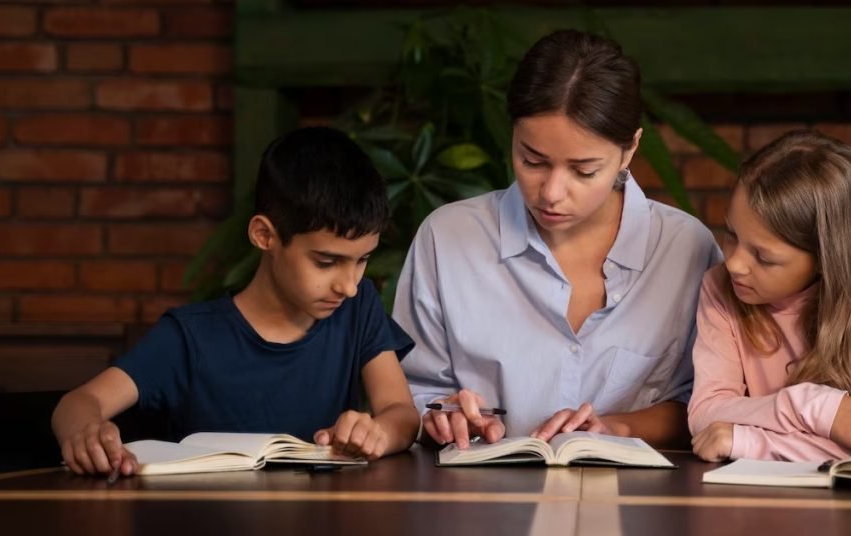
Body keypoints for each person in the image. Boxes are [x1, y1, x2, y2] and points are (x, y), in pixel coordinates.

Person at [393, 30, 721, 450]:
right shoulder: (448, 238)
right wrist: (443, 415)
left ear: (629, 149)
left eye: (584, 171)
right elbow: (408, 394)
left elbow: (709, 402)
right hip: (479, 504)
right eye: (532, 161)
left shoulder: (685, 249)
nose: (550, 192)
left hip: (641, 506)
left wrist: (615, 427)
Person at [52, 127, 419, 477]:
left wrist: (377, 433)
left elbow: (401, 413)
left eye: (362, 260)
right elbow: (79, 402)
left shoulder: (357, 309)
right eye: (326, 262)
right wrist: (85, 431)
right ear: (264, 236)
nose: (349, 286)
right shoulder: (190, 337)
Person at [687, 129, 851, 462]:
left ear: (823, 260)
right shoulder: (720, 289)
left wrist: (750, 442)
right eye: (731, 234)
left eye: (763, 257)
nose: (733, 263)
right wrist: (820, 410)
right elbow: (706, 414)